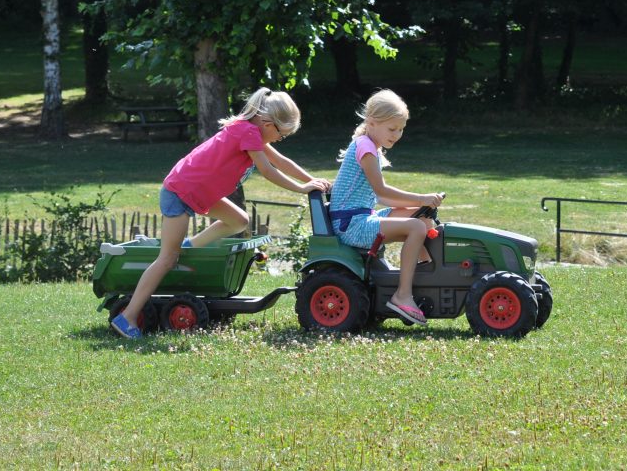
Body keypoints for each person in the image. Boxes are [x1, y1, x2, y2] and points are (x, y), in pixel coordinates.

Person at [111, 88, 331, 339]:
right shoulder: (247, 131)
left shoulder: (252, 131)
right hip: (180, 191)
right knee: (167, 259)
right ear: (268, 123)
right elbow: (268, 170)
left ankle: (188, 245)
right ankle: (127, 317)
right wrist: (302, 188)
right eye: (281, 134)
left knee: (238, 220)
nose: (280, 139)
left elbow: (282, 162)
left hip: (199, 192)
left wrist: (314, 180)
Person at [328, 89, 443, 325]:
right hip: (351, 225)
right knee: (416, 228)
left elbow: (386, 200)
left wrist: (422, 204)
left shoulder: (370, 146)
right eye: (392, 129)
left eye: (401, 129)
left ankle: (425, 271)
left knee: (421, 218)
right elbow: (382, 193)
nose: (397, 134)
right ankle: (402, 295)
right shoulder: (366, 148)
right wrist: (421, 198)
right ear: (371, 122)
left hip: (362, 217)